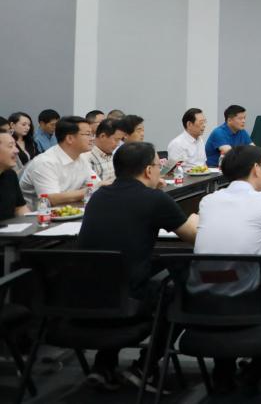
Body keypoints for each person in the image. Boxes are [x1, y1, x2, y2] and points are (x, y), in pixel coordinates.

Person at [78, 141, 198, 391]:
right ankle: (145, 367)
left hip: (82, 298)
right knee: (182, 290)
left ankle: (103, 366)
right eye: (158, 165)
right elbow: (193, 236)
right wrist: (196, 217)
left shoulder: (98, 196)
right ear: (148, 170)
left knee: (123, 273)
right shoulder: (155, 199)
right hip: (127, 301)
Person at [192, 144, 261, 394]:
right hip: (249, 301)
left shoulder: (208, 201)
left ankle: (224, 370)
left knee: (228, 278)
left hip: (203, 300)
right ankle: (256, 371)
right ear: (255, 169)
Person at [19, 115, 95, 209]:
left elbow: (94, 183)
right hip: (36, 214)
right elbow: (50, 199)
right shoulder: (45, 162)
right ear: (70, 138)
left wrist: (98, 188)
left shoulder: (81, 157)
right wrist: (89, 191)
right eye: (88, 134)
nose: (92, 138)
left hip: (68, 210)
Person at [0, 132, 28, 219]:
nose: (17, 151)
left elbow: (20, 208)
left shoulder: (10, 175)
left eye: (15, 146)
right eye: (10, 146)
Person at [89, 118, 125, 183]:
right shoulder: (88, 158)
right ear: (102, 136)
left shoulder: (114, 155)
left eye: (120, 140)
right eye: (116, 140)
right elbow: (91, 186)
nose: (118, 144)